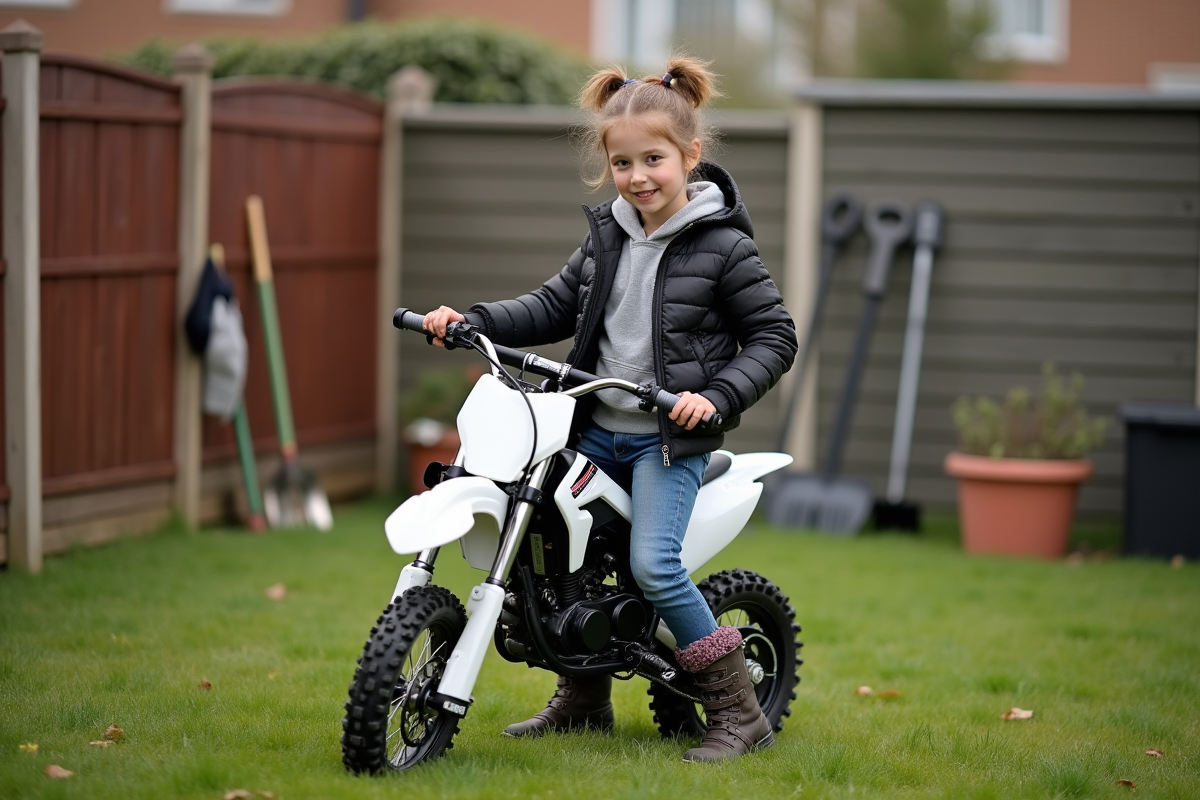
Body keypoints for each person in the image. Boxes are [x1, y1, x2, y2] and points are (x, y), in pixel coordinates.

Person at [422, 55, 797, 763]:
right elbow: (552, 304)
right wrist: (473, 318)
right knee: (558, 559)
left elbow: (775, 336)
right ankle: (585, 697)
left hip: (666, 444)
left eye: (653, 158)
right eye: (622, 163)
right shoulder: (607, 237)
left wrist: (712, 396)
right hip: (592, 430)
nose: (639, 177)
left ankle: (740, 711)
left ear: (689, 155)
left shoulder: (724, 247)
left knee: (654, 569)